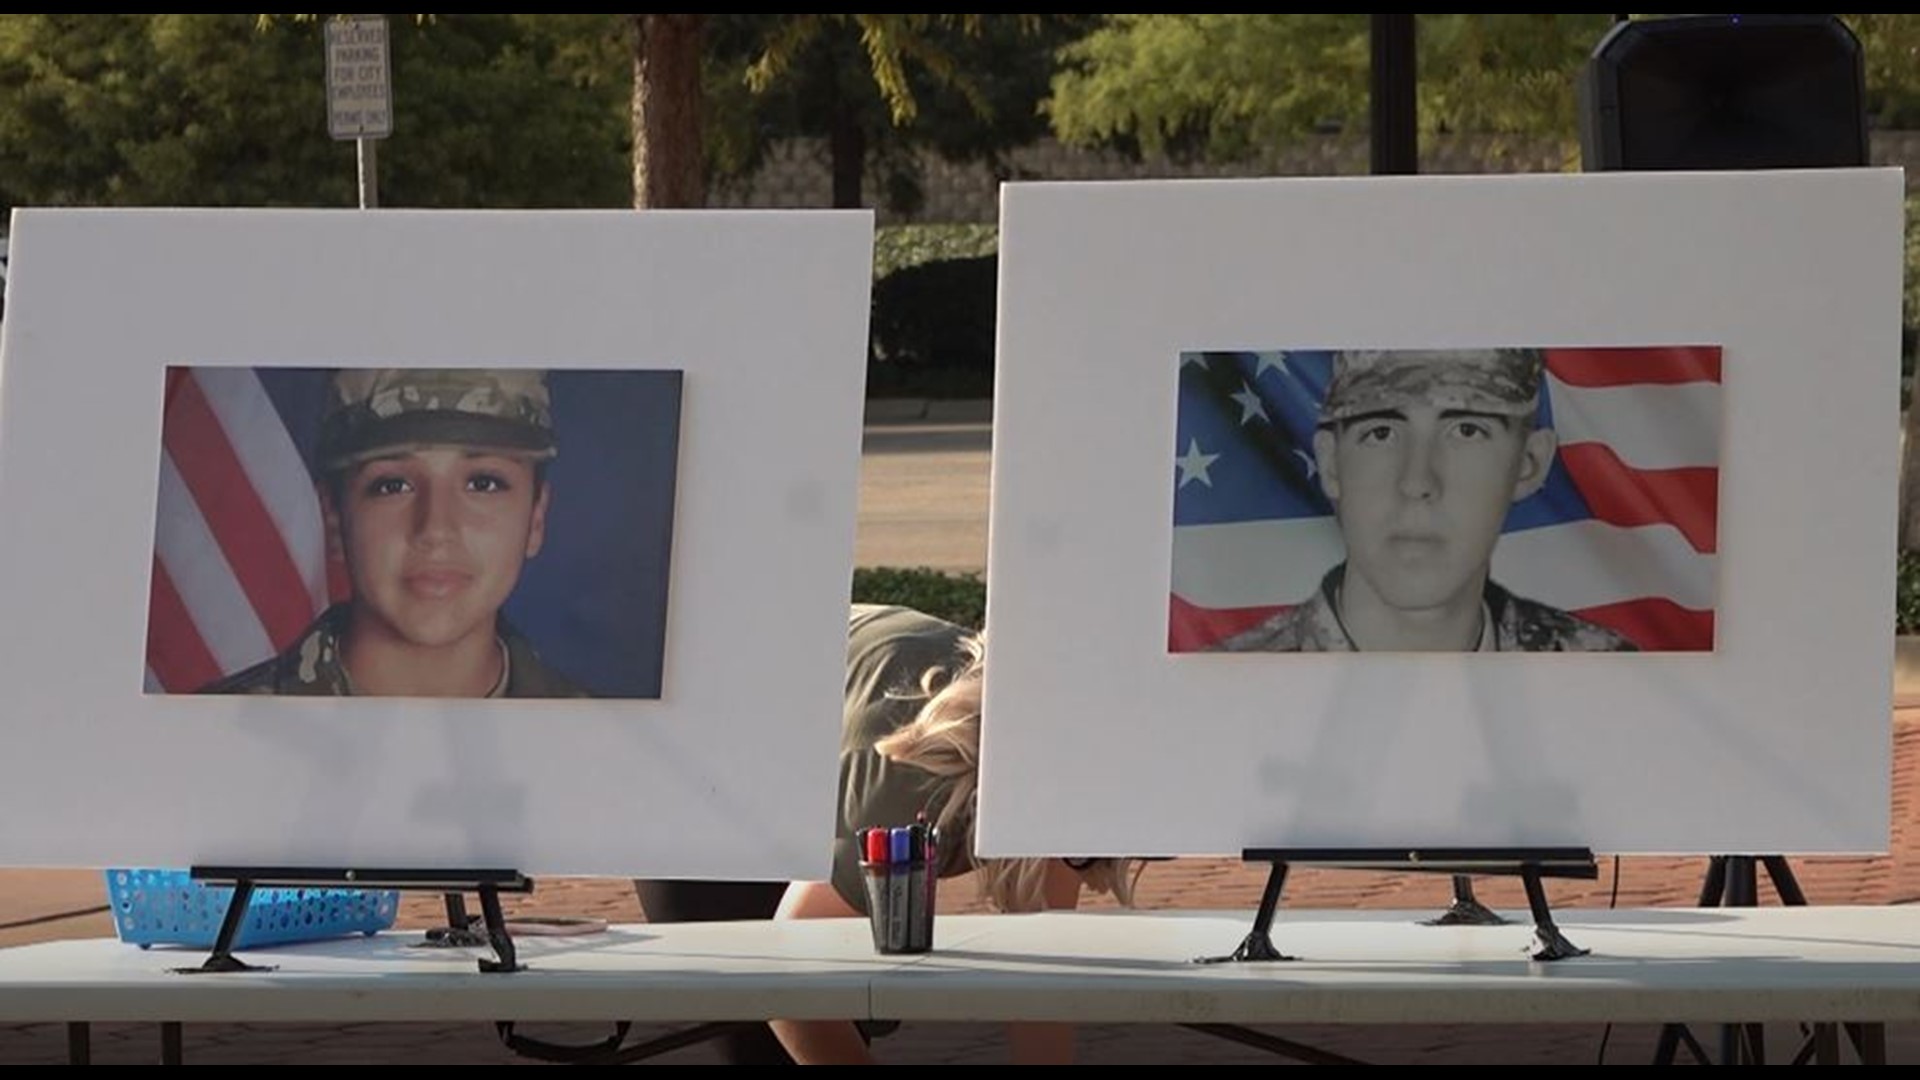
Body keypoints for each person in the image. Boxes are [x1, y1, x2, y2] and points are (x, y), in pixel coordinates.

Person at [635, 603, 1142, 1065]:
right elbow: (784, 966)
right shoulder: (915, 786)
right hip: (691, 758)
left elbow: (1040, 976)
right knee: (777, 1033)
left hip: (794, 732)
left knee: (850, 998)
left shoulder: (1049, 761)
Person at [1216, 348, 1636, 652]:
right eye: (1381, 433)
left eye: (1466, 431)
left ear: (1529, 463)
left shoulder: (1608, 674)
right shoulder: (1221, 687)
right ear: (1330, 464)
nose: (1417, 481)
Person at [202, 368, 588, 696]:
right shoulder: (205, 731)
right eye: (392, 485)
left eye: (483, 483)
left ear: (536, 517)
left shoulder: (601, 747)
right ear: (334, 517)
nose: (436, 529)